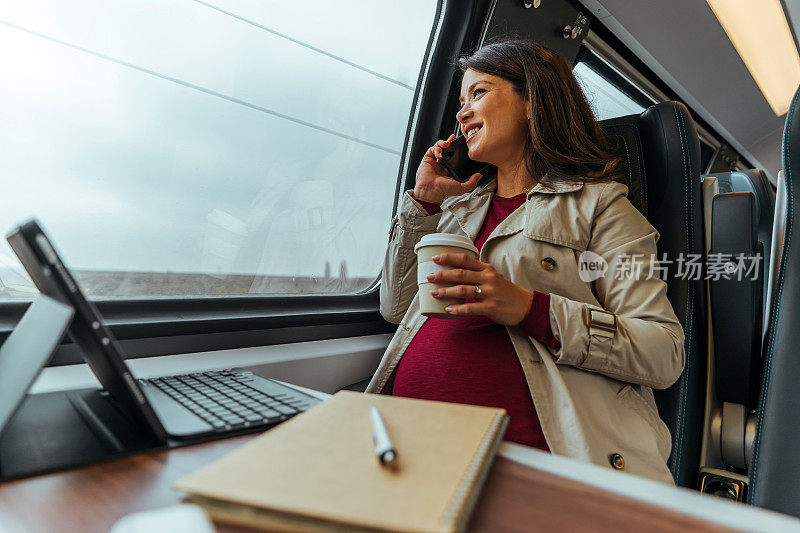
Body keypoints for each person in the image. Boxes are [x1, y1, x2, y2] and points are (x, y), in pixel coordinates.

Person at [365, 40, 685, 484]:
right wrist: (424, 205)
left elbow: (662, 351)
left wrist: (529, 308)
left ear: (533, 101)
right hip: (411, 451)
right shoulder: (459, 213)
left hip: (535, 464)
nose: (461, 112)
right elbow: (397, 309)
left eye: (478, 93)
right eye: (461, 101)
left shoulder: (600, 208)